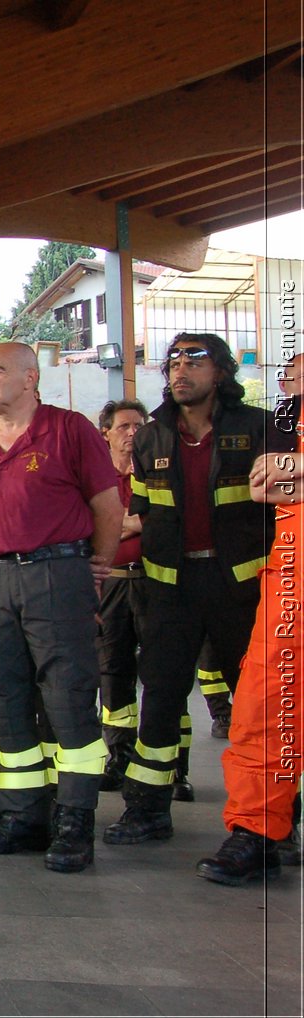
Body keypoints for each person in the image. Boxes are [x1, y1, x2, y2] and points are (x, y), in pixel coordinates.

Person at [0, 341, 122, 873]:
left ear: (29, 377)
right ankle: (24, 815)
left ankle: (75, 821)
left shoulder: (69, 430)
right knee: (6, 694)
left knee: (67, 694)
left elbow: (108, 506)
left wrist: (96, 564)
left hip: (57, 573)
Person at [108, 333, 284, 847]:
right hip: (168, 589)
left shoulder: (259, 427)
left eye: (195, 360)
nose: (180, 369)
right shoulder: (151, 435)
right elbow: (139, 511)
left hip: (242, 589)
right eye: (173, 361)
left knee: (256, 705)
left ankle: (275, 819)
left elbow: (280, 509)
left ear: (223, 373)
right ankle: (146, 809)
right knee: (160, 697)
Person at [197, 368, 302, 885]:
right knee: (263, 707)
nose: (293, 386)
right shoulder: (287, 418)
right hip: (290, 579)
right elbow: (265, 485)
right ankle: (258, 834)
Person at [94, 398, 148, 793]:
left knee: (165, 671)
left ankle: (174, 764)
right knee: (113, 672)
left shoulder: (158, 473)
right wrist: (133, 523)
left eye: (139, 426)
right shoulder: (97, 478)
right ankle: (120, 755)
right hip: (111, 583)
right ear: (106, 433)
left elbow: (165, 521)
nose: (133, 433)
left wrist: (121, 524)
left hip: (154, 582)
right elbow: (93, 527)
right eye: (125, 427)